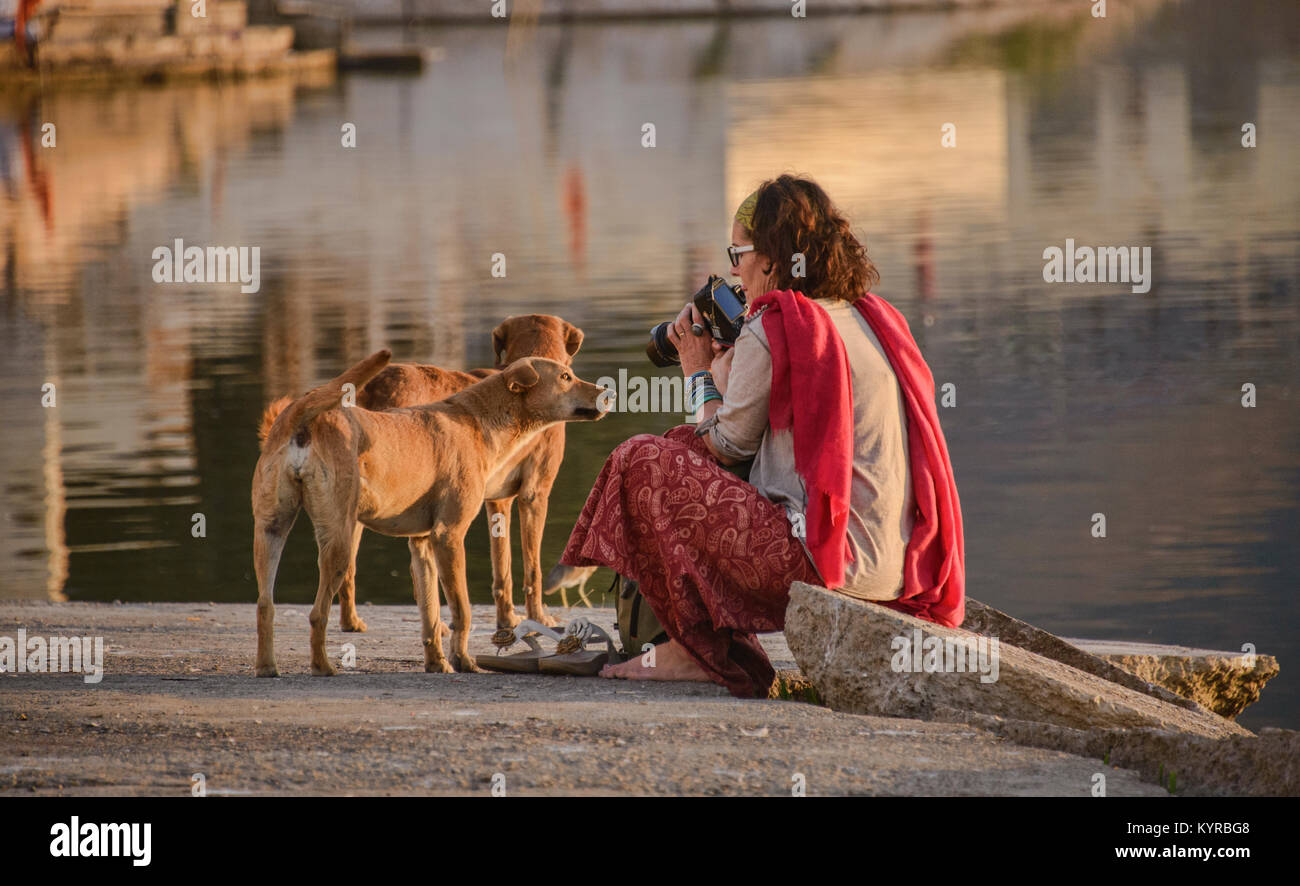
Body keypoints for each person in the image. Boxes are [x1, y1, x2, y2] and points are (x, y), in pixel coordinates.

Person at [560, 174, 965, 698]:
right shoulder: (869, 317)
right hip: (897, 572)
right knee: (679, 444)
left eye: (739, 252)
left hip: (824, 565)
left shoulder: (774, 325)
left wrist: (698, 372)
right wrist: (732, 370)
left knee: (643, 458)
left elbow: (725, 447)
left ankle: (695, 650)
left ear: (771, 259)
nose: (733, 268)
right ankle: (693, 640)